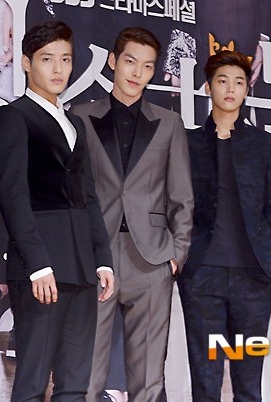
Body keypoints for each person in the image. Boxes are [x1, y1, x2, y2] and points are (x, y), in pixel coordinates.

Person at [0, 21, 114, 402]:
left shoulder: (75, 123)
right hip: (40, 269)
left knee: (75, 384)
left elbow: (88, 195)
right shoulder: (13, 116)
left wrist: (102, 259)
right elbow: (12, 195)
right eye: (47, 59)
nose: (59, 69)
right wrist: (38, 264)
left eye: (66, 59)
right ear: (26, 63)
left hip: (81, 268)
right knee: (32, 381)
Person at [71, 27, 193, 402]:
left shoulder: (169, 123)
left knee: (149, 378)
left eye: (147, 65)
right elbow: (72, 192)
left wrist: (176, 254)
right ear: (113, 61)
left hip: (152, 259)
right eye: (130, 61)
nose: (137, 72)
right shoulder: (80, 117)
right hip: (97, 256)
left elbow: (182, 196)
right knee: (85, 374)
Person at [177, 50, 271, 402]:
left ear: (246, 90)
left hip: (253, 277)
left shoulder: (263, 144)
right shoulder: (189, 142)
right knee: (205, 381)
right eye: (222, 81)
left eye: (239, 82)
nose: (230, 89)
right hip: (202, 275)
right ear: (208, 87)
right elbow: (174, 204)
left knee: (248, 383)